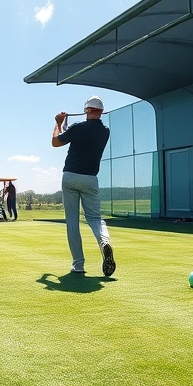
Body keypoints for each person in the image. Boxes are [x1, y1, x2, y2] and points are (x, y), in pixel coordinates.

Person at [52, 96, 116, 277]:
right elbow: (75, 135)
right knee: (95, 218)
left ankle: (78, 265)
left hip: (70, 176)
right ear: (101, 111)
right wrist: (65, 126)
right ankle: (104, 242)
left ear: (86, 110)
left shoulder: (77, 128)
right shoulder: (105, 131)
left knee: (72, 222)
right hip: (90, 179)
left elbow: (57, 141)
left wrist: (58, 123)